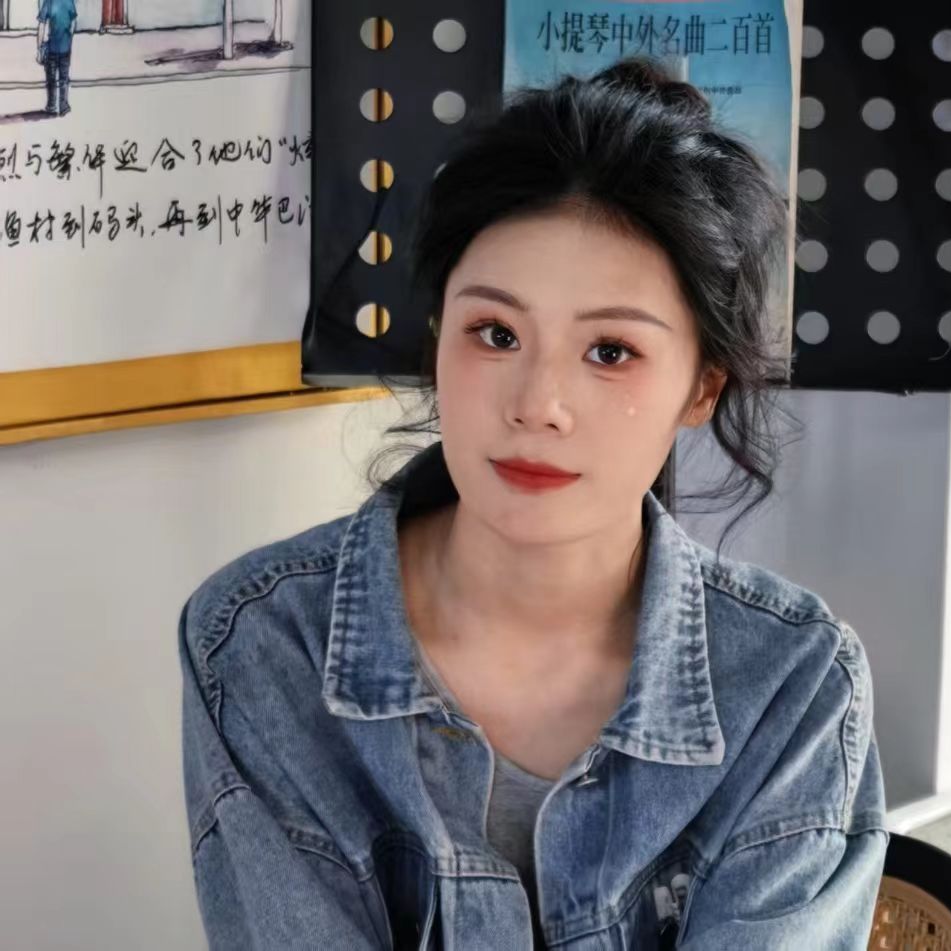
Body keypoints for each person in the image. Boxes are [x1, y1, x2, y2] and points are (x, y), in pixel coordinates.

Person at [179, 55, 888, 949]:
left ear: (702, 386)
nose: (537, 403)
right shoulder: (263, 643)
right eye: (496, 333)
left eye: (611, 352)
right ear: (438, 337)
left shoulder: (792, 686)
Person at [36, 0, 76, 116]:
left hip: (52, 47)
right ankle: (63, 106)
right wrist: (69, 37)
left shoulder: (48, 2)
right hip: (65, 47)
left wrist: (39, 48)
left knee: (51, 79)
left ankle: (51, 105)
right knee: (64, 78)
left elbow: (42, 25)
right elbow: (73, 21)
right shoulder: (69, 2)